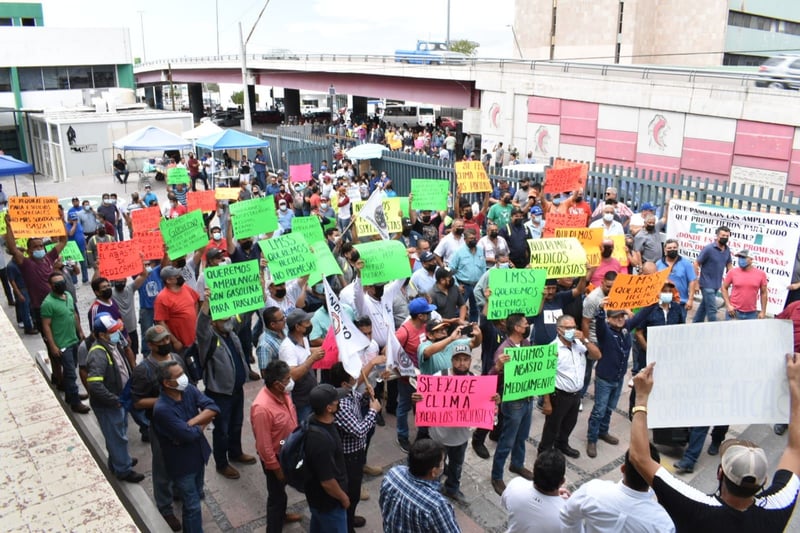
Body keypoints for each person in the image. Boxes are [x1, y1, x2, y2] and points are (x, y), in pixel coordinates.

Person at [629, 362, 800, 532]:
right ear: (765, 480)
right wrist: (795, 383)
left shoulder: (696, 507)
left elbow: (639, 457)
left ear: (720, 473)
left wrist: (641, 398)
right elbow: (795, 451)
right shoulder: (779, 506)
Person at [152, 360, 220, 533]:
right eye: (178, 376)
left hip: (199, 455)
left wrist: (194, 421)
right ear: (167, 383)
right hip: (182, 464)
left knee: (196, 495)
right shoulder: (162, 409)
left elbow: (213, 407)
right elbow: (188, 435)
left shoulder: (188, 390)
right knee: (192, 506)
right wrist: (205, 420)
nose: (184, 378)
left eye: (183, 373)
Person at [130, 325, 187, 531]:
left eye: (166, 339)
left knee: (182, 460)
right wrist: (165, 401)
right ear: (150, 345)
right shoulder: (143, 370)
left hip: (182, 421)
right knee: (162, 467)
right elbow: (137, 402)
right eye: (160, 341)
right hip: (161, 425)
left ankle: (179, 492)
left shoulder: (177, 359)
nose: (165, 343)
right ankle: (165, 508)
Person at [197, 290, 258, 480]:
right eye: (223, 319)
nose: (228, 321)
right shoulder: (208, 338)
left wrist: (256, 291)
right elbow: (200, 326)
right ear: (213, 322)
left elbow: (246, 315)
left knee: (236, 423)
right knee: (221, 430)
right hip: (219, 393)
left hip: (236, 389)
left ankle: (236, 452)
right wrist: (206, 304)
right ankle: (222, 464)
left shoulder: (231, 334)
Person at [559, 445, 675, 532]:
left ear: (623, 468)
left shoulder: (593, 491)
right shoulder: (662, 523)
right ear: (654, 476)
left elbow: (567, 516)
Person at [85, 312, 144, 483]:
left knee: (119, 433)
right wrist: (114, 400)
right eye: (112, 331)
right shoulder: (98, 354)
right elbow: (95, 385)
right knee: (117, 436)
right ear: (102, 335)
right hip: (109, 404)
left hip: (120, 399)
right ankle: (123, 470)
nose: (117, 333)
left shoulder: (113, 344)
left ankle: (119, 460)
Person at [250, 360, 301, 532]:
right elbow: (264, 446)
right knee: (276, 496)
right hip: (276, 455)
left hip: (285, 446)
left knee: (282, 492)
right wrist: (277, 469)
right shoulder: (262, 408)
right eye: (288, 379)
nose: (291, 381)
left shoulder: (284, 394)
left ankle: (283, 515)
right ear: (277, 384)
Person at [330, 362, 381, 531]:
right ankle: (346, 525)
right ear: (344, 384)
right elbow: (359, 431)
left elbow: (359, 401)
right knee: (349, 493)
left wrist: (367, 397)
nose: (357, 378)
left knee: (354, 492)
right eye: (353, 376)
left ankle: (349, 518)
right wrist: (373, 411)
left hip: (357, 453)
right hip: (347, 457)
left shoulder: (349, 393)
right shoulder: (341, 405)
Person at [490, 313, 534, 496]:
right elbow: (491, 376)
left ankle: (517, 464)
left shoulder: (527, 344)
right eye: (525, 323)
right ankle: (497, 475)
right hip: (513, 401)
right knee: (507, 440)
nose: (528, 325)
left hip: (528, 397)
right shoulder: (503, 350)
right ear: (516, 328)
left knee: (522, 436)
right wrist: (498, 367)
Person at [379, 439, 461, 533]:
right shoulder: (437, 506)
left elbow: (384, 505)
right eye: (442, 462)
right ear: (434, 472)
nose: (443, 466)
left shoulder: (393, 474)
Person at [538, 315, 589, 458]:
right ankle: (544, 452)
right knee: (552, 427)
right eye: (568, 328)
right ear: (559, 330)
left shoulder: (579, 345)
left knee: (569, 423)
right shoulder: (552, 349)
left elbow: (597, 355)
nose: (572, 330)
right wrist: (547, 402)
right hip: (559, 395)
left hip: (576, 395)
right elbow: (545, 377)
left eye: (574, 327)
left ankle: (562, 444)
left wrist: (584, 339)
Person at [40, 272, 90, 414]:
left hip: (73, 339)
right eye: (57, 283)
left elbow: (73, 314)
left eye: (62, 281)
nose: (60, 284)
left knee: (72, 367)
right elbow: (46, 326)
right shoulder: (48, 304)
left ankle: (70, 395)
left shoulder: (67, 296)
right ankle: (75, 402)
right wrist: (53, 345)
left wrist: (79, 331)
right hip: (62, 343)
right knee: (70, 373)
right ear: (50, 285)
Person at [304, 384, 350, 533]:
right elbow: (327, 482)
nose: (339, 402)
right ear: (328, 408)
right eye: (336, 401)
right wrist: (343, 498)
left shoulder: (311, 420)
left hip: (316, 498)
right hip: (329, 504)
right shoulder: (321, 441)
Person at [502, 450, 567, 533]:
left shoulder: (515, 485)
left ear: (534, 473)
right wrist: (561, 501)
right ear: (562, 481)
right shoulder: (565, 514)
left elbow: (506, 504)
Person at [155, 266, 199, 354]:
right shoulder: (162, 298)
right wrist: (174, 341)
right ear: (168, 281)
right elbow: (160, 322)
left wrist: (197, 319)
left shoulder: (186, 288)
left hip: (196, 339)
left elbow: (196, 302)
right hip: (182, 344)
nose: (180, 276)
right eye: (177, 276)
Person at [693, 225, 732, 323]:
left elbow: (729, 265)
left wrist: (732, 278)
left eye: (727, 236)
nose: (725, 238)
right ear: (717, 236)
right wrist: (696, 282)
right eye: (723, 235)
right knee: (712, 309)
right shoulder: (709, 249)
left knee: (704, 307)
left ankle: (695, 325)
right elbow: (696, 263)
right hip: (706, 284)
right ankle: (714, 330)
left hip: (716, 284)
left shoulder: (727, 250)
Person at [448, 228, 486, 323]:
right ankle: (458, 327)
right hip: (464, 286)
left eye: (475, 238)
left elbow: (483, 268)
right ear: (465, 239)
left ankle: (473, 329)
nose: (473, 240)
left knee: (476, 309)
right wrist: (457, 285)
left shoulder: (481, 251)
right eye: (471, 238)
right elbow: (451, 270)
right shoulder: (459, 252)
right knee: (459, 308)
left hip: (478, 285)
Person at [722, 249, 768, 320]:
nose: (741, 260)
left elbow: (764, 293)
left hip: (751, 313)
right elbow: (724, 287)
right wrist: (728, 305)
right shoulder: (732, 272)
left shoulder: (761, 274)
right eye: (739, 257)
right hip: (734, 311)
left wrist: (763, 311)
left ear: (751, 259)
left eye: (743, 257)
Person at [656, 238, 697, 311]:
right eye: (669, 248)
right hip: (662, 302)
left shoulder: (686, 263)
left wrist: (690, 300)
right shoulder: (658, 264)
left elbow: (692, 281)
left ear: (678, 248)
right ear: (665, 250)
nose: (672, 249)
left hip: (681, 302)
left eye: (674, 247)